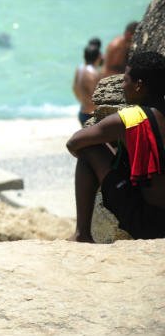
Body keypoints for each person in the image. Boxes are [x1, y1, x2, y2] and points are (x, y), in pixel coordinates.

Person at [66, 51, 165, 242]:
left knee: (90, 149)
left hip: (148, 223)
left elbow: (74, 143)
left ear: (138, 85)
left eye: (125, 80)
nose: (122, 85)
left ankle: (82, 234)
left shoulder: (133, 119)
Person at [73, 44, 102, 126]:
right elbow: (98, 98)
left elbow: (75, 88)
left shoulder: (80, 69)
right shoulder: (95, 74)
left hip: (82, 112)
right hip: (91, 115)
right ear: (98, 57)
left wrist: (83, 101)